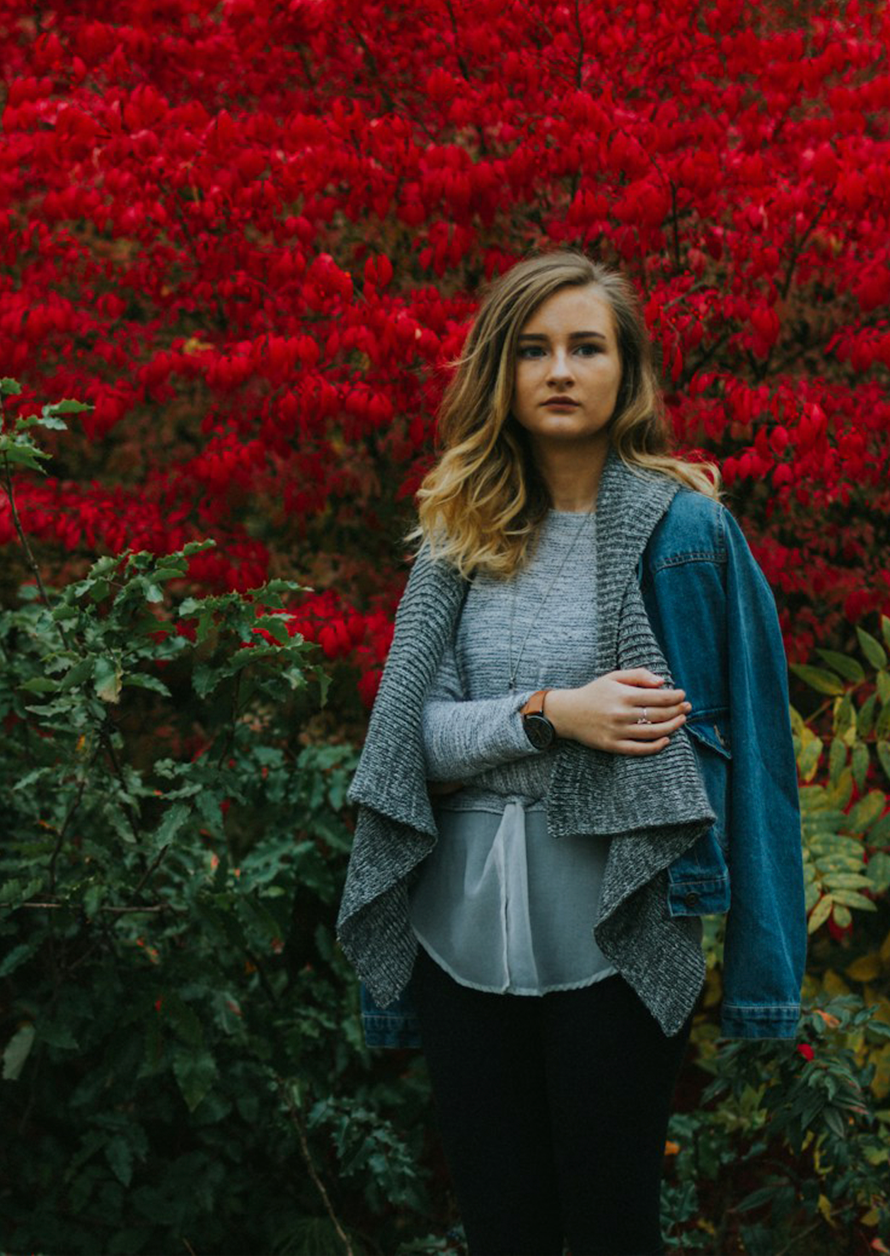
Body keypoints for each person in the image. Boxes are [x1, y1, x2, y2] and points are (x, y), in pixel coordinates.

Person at [336, 249, 808, 1256]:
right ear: (499, 373)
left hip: (620, 925)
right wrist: (553, 714)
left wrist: (767, 976)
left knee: (610, 1226)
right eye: (534, 349)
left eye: (586, 347)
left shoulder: (691, 536)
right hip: (453, 936)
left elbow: (761, 762)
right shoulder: (455, 538)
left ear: (626, 372)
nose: (559, 370)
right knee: (502, 1228)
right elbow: (403, 744)